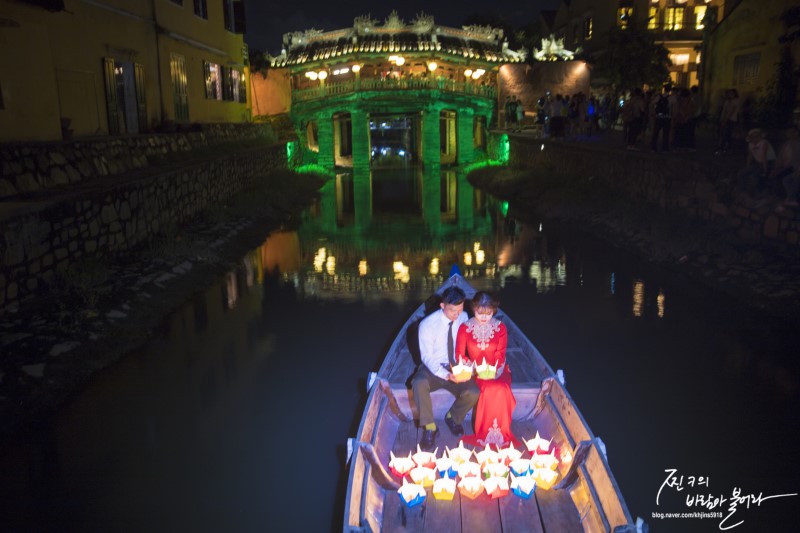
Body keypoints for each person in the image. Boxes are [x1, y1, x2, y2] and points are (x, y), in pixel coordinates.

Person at [412, 286, 479, 451]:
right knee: (418, 383)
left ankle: (453, 417)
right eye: (452, 311)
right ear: (442, 306)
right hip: (433, 367)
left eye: (460, 310)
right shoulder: (427, 325)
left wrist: (469, 364)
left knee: (474, 392)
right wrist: (447, 375)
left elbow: (467, 343)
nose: (457, 315)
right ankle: (430, 428)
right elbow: (427, 357)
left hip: (457, 365)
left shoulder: (463, 316)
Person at [455, 291, 519, 448]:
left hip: (498, 369)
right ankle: (484, 432)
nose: (484, 317)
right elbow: (459, 354)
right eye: (479, 312)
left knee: (501, 388)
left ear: (494, 311)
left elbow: (501, 354)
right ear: (473, 309)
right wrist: (474, 368)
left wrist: (493, 371)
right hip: (475, 371)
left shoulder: (500, 328)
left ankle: (501, 432)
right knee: (489, 389)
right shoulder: (465, 328)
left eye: (488, 313)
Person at [736, 128, 776, 196]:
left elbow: (764, 155)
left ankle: (755, 194)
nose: (755, 138)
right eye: (753, 137)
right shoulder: (750, 145)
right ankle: (742, 192)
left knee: (754, 176)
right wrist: (747, 166)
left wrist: (765, 169)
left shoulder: (764, 142)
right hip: (758, 163)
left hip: (769, 162)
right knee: (741, 174)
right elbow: (750, 156)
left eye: (757, 136)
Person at [771, 125, 800, 206]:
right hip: (786, 167)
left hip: (794, 168)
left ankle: (789, 199)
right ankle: (788, 198)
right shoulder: (786, 144)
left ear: (796, 133)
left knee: (783, 177)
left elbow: (794, 161)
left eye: (791, 132)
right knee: (774, 175)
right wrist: (776, 168)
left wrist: (780, 170)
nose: (789, 134)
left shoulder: (798, 144)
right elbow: (780, 158)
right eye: (788, 132)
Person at [651, 85, 672, 152]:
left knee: (656, 132)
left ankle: (653, 147)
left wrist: (654, 113)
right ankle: (664, 148)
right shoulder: (671, 98)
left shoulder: (659, 96)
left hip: (658, 116)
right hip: (666, 117)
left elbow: (652, 103)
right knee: (666, 133)